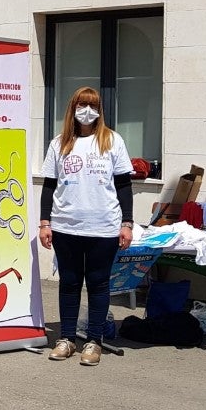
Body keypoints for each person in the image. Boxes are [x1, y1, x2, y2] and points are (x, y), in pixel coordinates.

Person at [39, 86, 134, 367]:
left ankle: (94, 341)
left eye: (93, 106)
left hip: (103, 226)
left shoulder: (112, 140)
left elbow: (124, 185)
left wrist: (127, 223)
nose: (87, 111)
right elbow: (49, 185)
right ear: (73, 108)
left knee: (98, 283)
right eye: (82, 105)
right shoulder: (59, 143)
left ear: (99, 110)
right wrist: (45, 222)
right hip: (65, 226)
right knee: (69, 283)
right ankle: (67, 339)